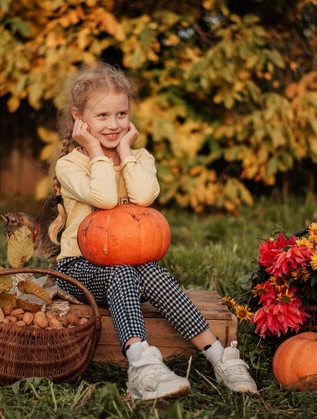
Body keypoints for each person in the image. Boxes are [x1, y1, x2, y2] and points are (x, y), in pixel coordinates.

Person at [48, 62, 258, 400]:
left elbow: (145, 197)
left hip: (130, 265)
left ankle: (219, 356)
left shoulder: (141, 157)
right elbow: (102, 198)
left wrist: (127, 152)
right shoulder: (71, 164)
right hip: (79, 268)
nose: (114, 124)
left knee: (150, 271)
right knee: (122, 271)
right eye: (102, 116)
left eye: (121, 114)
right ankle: (142, 364)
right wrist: (99, 151)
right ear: (79, 118)